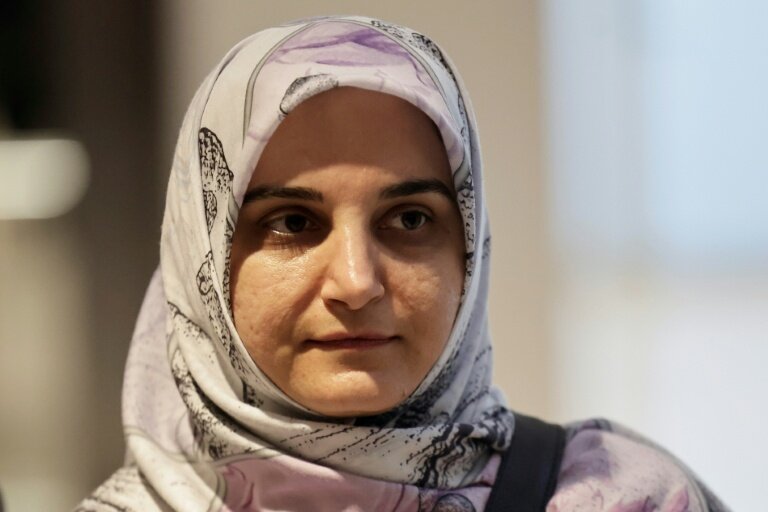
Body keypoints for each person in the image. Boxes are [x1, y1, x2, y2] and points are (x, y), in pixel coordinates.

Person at [77, 15, 729, 512]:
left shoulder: (622, 497)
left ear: (469, 253)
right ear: (204, 261)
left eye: (411, 220)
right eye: (293, 224)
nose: (357, 282)